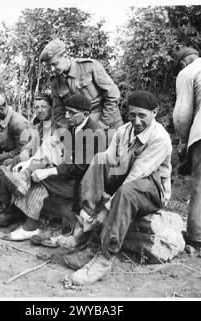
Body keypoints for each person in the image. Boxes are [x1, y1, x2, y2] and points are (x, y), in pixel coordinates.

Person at [60, 90, 172, 285]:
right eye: (132, 114)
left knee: (126, 192)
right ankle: (85, 226)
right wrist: (96, 203)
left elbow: (138, 174)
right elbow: (110, 160)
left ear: (155, 112)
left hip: (150, 190)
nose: (136, 121)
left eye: (142, 116)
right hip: (125, 181)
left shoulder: (160, 138)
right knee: (99, 159)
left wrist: (107, 207)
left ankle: (104, 259)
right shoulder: (124, 130)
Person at [0, 94, 107, 244]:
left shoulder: (94, 133)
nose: (67, 115)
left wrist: (47, 171)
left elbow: (78, 168)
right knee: (44, 157)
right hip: (68, 173)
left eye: (72, 112)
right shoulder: (73, 127)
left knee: (38, 178)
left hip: (82, 185)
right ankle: (24, 183)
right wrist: (28, 163)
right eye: (67, 111)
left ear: (85, 114)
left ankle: (30, 224)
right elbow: (52, 148)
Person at [172, 47, 201, 250]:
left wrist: (184, 143)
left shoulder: (186, 72)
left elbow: (182, 116)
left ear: (182, 64)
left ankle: (197, 239)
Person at [39, 39, 123, 132]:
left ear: (65, 56)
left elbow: (112, 94)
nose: (52, 69)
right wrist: (64, 132)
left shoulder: (89, 66)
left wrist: (104, 123)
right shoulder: (55, 82)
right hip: (83, 129)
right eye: (49, 67)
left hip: (109, 123)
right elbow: (59, 112)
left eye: (55, 64)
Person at [0, 91, 35, 215]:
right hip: (10, 153)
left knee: (4, 165)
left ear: (2, 108)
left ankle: (1, 204)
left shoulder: (19, 123)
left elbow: (22, 151)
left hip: (22, 158)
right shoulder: (1, 120)